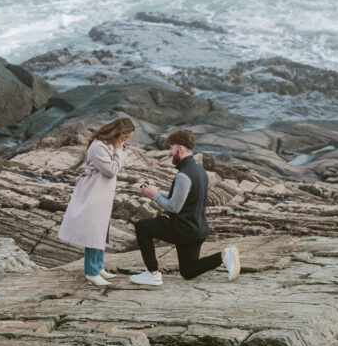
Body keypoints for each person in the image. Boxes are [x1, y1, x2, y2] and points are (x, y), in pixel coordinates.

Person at [130, 128, 240, 287]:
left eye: (171, 147)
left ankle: (152, 274)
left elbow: (174, 207)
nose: (169, 152)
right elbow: (184, 197)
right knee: (188, 271)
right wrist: (155, 192)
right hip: (198, 228)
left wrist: (154, 196)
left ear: (180, 148)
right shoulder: (198, 168)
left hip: (184, 229)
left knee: (142, 227)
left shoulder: (184, 175)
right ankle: (224, 256)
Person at [58, 116, 135, 286]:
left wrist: (118, 149)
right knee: (93, 230)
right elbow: (111, 169)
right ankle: (91, 272)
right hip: (93, 191)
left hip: (102, 192)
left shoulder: (109, 144)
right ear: (118, 134)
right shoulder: (99, 146)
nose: (126, 141)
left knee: (100, 229)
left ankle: (98, 267)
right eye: (126, 137)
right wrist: (119, 150)